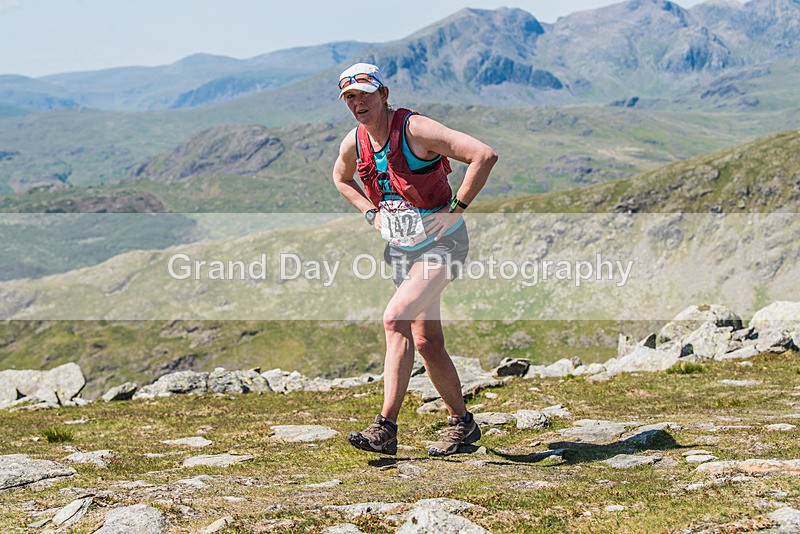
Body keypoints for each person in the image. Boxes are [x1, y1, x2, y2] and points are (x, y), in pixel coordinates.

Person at [332, 63, 498, 456]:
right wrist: (371, 214)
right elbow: (341, 179)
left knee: (395, 318)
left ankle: (385, 427)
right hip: (402, 251)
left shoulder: (414, 130)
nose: (357, 103)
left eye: (364, 94)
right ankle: (463, 425)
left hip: (443, 246)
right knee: (426, 341)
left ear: (384, 94)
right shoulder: (354, 142)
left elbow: (484, 155)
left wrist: (456, 207)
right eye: (349, 98)